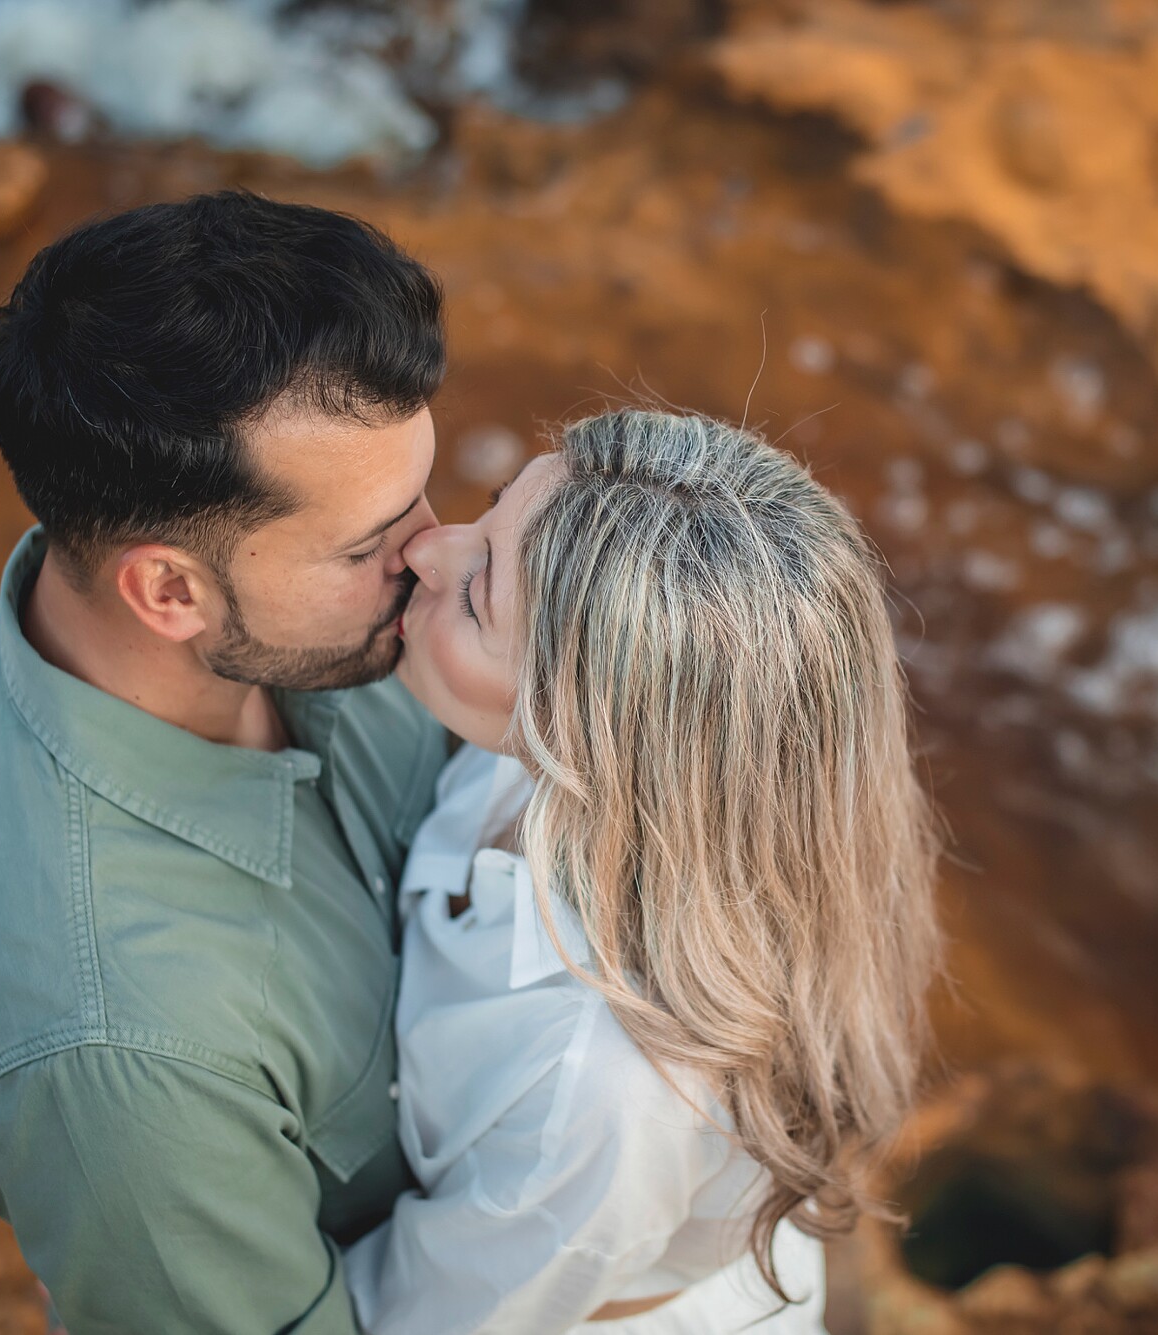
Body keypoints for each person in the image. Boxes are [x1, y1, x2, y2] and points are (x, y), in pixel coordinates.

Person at [0, 191, 450, 1333]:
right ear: (166, 592)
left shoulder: (274, 605)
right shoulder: (115, 1052)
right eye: (369, 545)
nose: (440, 552)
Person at [344, 409, 943, 1332]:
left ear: (585, 728)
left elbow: (413, 1321)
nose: (429, 548)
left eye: (478, 594)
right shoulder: (650, 789)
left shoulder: (595, 1098)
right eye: (494, 509)